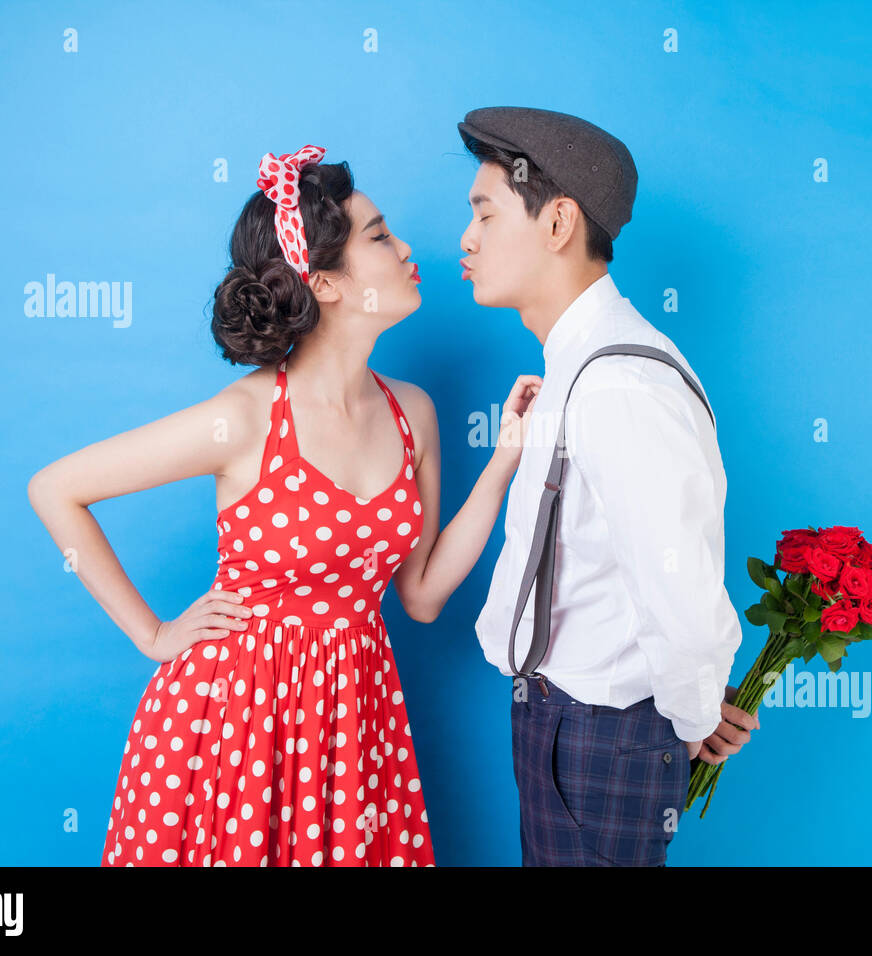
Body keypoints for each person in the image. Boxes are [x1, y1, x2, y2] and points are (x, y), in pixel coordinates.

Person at [27, 145, 541, 866]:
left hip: (353, 729)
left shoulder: (413, 413)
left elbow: (420, 597)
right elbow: (55, 489)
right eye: (380, 237)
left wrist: (505, 464)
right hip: (229, 724)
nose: (406, 248)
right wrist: (152, 635)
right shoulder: (243, 419)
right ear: (325, 283)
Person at [459, 107, 758, 866]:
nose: (467, 239)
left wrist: (692, 715)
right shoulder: (580, 367)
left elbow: (681, 589)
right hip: (563, 722)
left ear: (558, 223)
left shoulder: (619, 383)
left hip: (602, 732)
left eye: (485, 214)